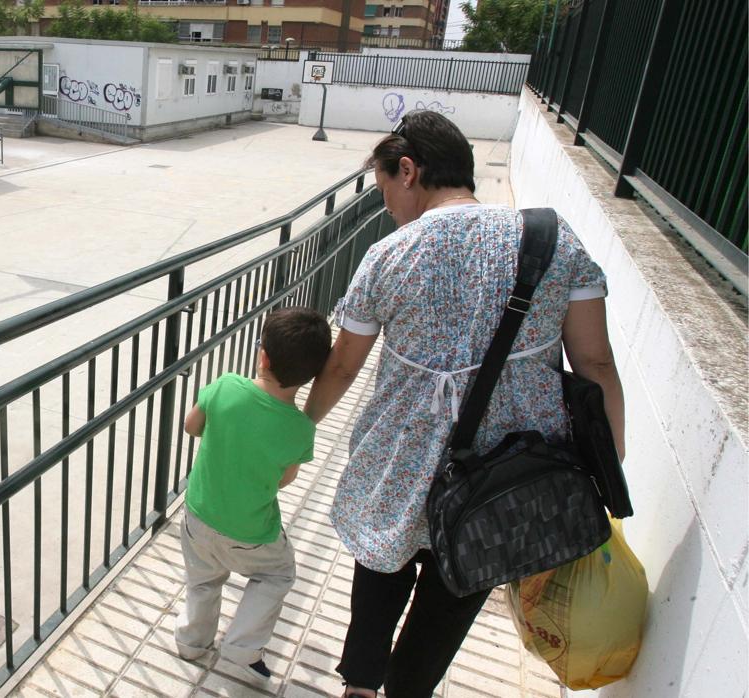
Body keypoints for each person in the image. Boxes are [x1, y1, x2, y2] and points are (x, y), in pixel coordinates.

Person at [303, 111, 626, 698]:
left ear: (409, 170)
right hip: (504, 470)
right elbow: (596, 365)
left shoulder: (389, 256)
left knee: (381, 566)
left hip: (399, 462)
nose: (388, 208)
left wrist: (302, 429)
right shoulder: (554, 242)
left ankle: (359, 686)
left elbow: (345, 366)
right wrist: (610, 466)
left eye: (385, 192)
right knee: (459, 587)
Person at [175, 307, 332, 687]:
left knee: (203, 580)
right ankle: (244, 645)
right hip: (251, 533)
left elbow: (191, 426)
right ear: (314, 374)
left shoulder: (226, 385)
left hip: (198, 516)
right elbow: (284, 481)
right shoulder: (300, 429)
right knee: (278, 574)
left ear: (263, 355)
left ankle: (192, 643)